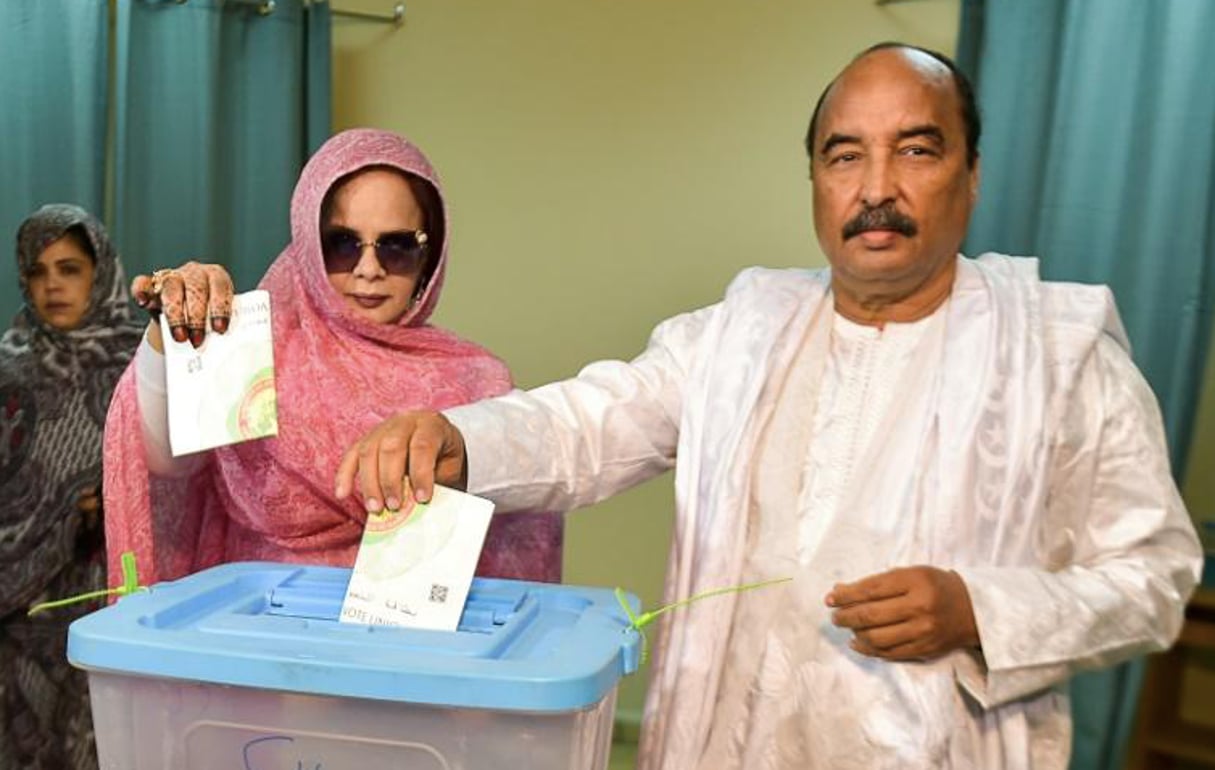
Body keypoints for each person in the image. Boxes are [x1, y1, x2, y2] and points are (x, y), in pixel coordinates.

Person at [332, 44, 1204, 769]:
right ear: (816, 180)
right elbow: (589, 419)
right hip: (727, 743)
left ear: (970, 175)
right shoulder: (743, 329)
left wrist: (980, 608)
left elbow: (1152, 577)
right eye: (845, 154)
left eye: (915, 149)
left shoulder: (1058, 349)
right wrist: (461, 438)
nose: (876, 188)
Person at [102, 128, 562, 590]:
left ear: (430, 255)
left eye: (397, 246)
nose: (369, 269)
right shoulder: (254, 349)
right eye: (341, 244)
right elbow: (165, 461)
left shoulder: (477, 380)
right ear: (306, 244)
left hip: (410, 653)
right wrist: (172, 331)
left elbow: (516, 547)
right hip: (259, 641)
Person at [0, 204, 144, 769]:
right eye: (37, 271)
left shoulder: (143, 363)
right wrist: (55, 516)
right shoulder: (8, 367)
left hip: (108, 596)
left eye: (69, 268)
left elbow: (186, 483)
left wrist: (114, 503)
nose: (52, 284)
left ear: (100, 271)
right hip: (18, 609)